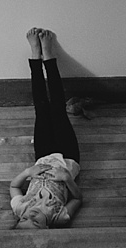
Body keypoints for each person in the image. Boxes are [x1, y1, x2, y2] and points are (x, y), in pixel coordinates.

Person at [9, 28, 83, 229]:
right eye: (35, 221)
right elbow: (78, 199)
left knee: (41, 109)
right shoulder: (59, 217)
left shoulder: (20, 208)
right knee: (58, 109)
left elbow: (14, 186)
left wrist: (27, 172)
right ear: (46, 228)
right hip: (68, 159)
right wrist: (67, 179)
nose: (30, 215)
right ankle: (49, 58)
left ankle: (35, 56)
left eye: (24, 220)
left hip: (42, 156)